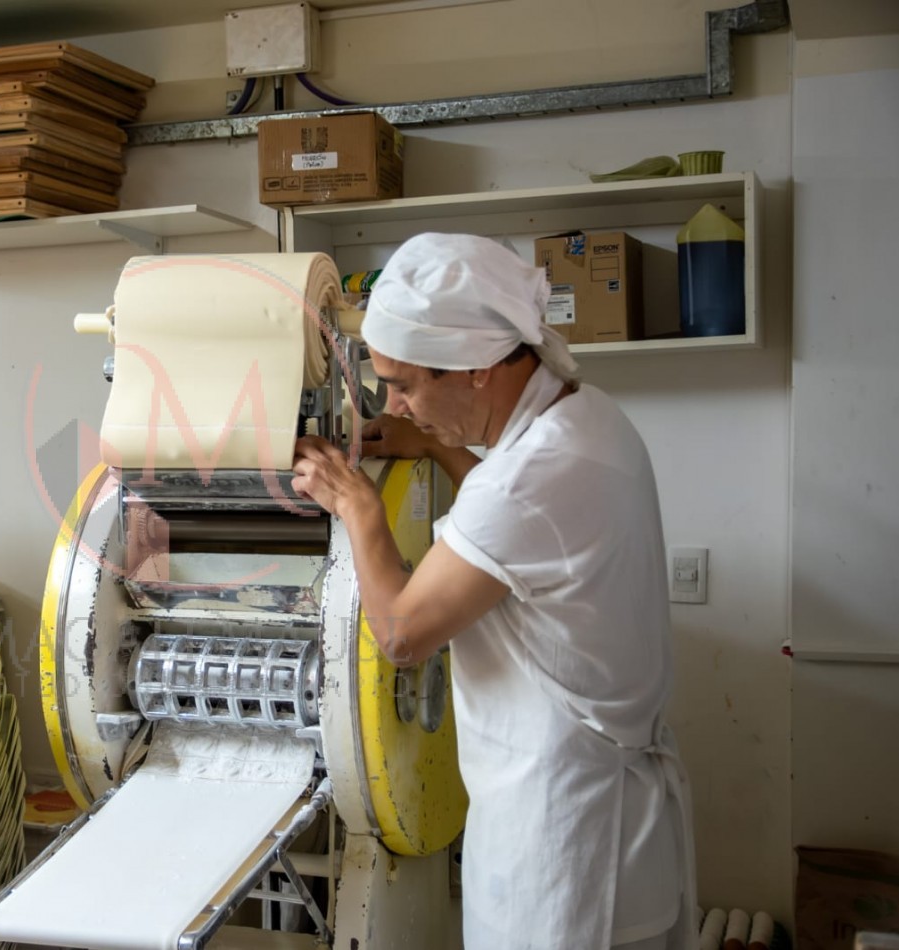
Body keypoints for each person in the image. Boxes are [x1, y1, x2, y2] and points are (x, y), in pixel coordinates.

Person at [291, 233, 695, 950]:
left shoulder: (529, 480)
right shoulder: (587, 417)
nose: (396, 404)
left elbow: (403, 632)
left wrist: (355, 504)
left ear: (477, 369)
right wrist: (441, 448)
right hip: (613, 834)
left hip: (564, 852)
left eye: (407, 383)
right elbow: (518, 520)